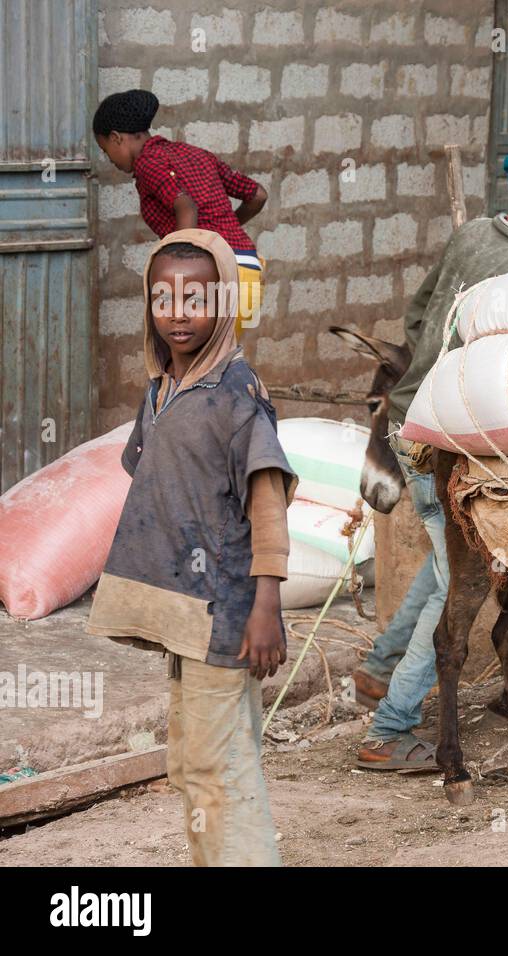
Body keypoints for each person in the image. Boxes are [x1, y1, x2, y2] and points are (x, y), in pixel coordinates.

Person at [354, 138, 508, 770]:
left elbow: (418, 312)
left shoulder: (474, 236)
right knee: (460, 586)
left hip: (408, 420)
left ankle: (378, 670)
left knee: (440, 566)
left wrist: (427, 365)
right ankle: (389, 727)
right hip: (443, 443)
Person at [86, 228, 297, 866]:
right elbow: (154, 479)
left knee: (217, 769)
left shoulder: (235, 398)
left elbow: (266, 505)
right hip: (187, 615)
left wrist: (267, 607)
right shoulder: (161, 391)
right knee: (195, 762)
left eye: (196, 299)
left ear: (224, 303)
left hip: (227, 617)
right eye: (162, 298)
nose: (178, 313)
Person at [93, 89, 268, 339]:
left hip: (216, 276)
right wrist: (221, 231)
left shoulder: (148, 163)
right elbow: (258, 195)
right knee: (216, 365)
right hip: (248, 272)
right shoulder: (195, 154)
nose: (108, 158)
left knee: (190, 366)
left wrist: (181, 270)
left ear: (116, 138)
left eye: (105, 149)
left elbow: (185, 205)